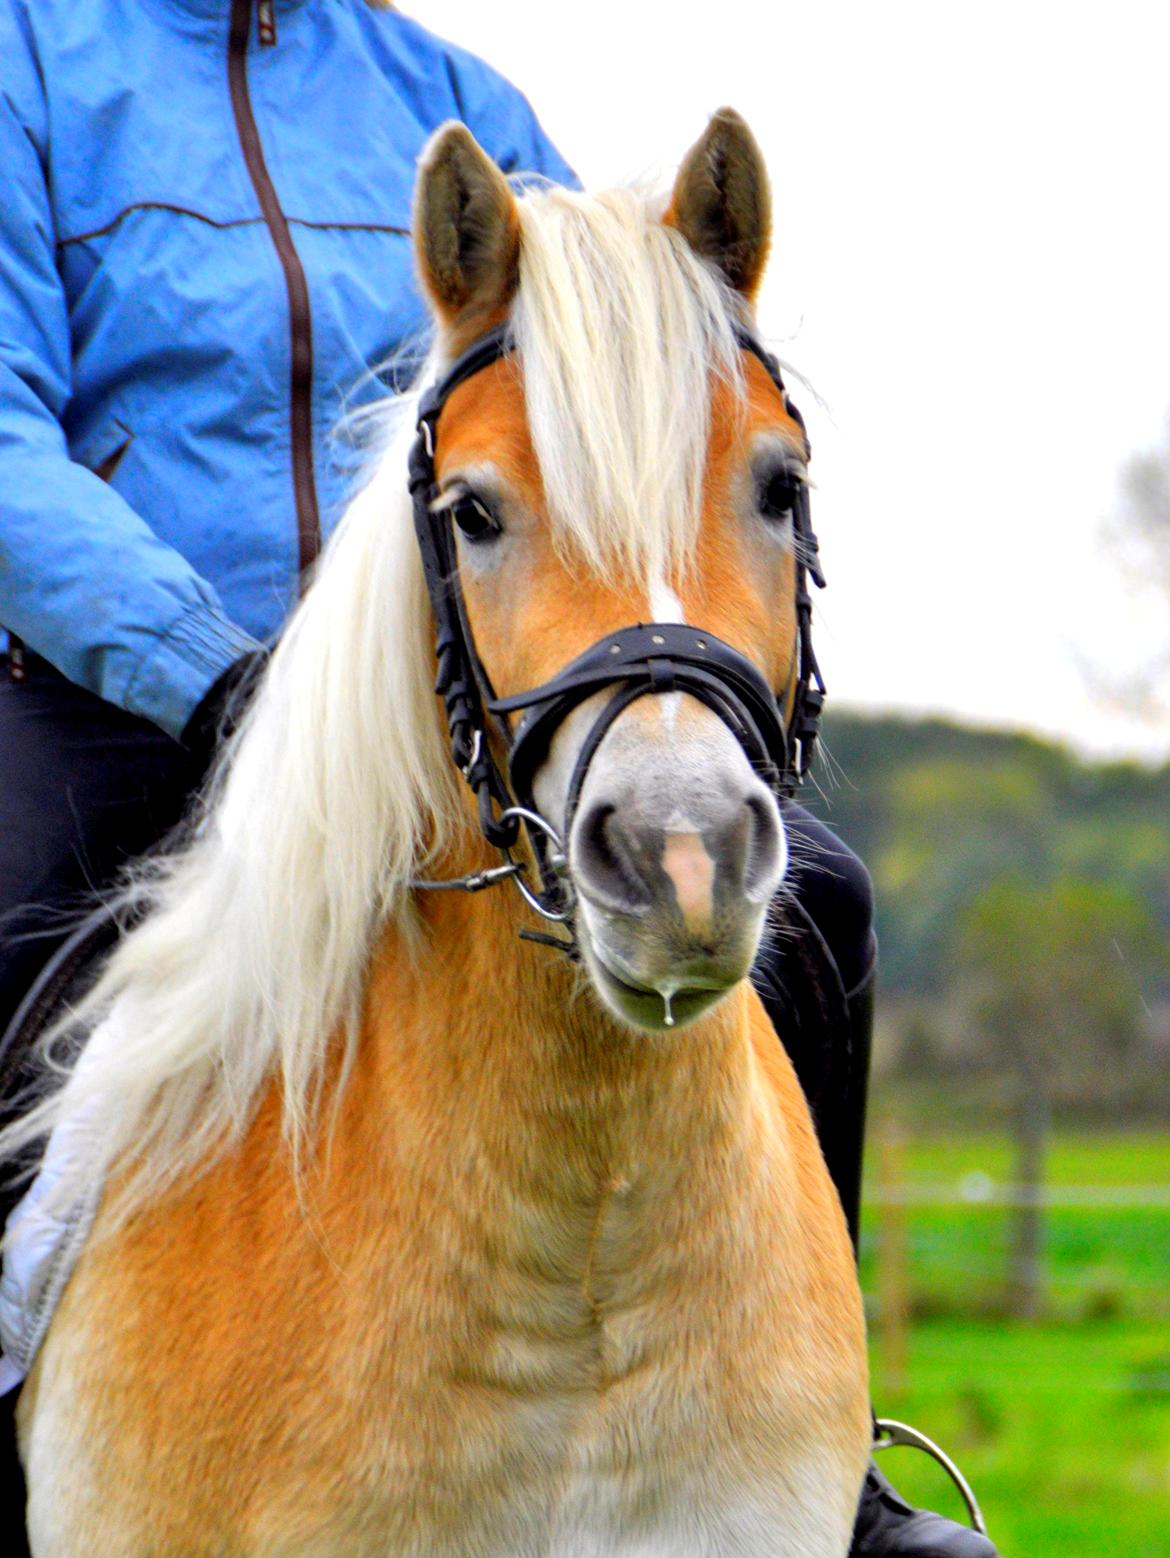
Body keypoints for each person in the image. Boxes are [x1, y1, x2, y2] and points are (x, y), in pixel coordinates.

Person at [0, 1, 995, 1552]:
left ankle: (840, 1464)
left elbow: (619, 405)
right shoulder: (33, 64)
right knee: (15, 958)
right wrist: (214, 671)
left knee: (826, 910)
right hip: (122, 705)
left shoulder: (453, 98)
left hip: (461, 721)